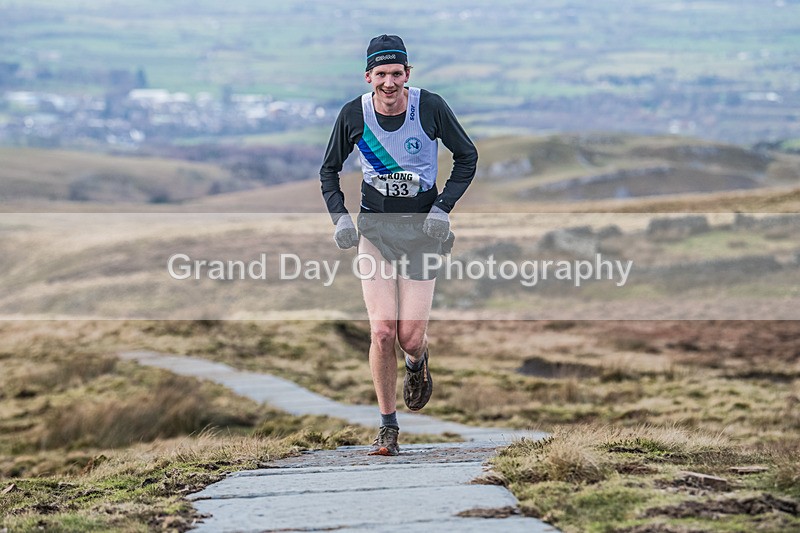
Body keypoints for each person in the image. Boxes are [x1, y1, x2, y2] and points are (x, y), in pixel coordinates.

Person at [320, 34, 478, 456]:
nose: (388, 82)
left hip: (423, 232)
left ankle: (417, 362)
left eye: (396, 73)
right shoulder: (354, 114)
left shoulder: (430, 107)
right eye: (381, 74)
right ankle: (387, 428)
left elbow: (468, 157)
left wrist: (443, 208)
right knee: (382, 329)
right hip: (376, 230)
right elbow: (328, 171)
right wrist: (340, 220)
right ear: (368, 76)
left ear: (408, 74)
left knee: (409, 337)